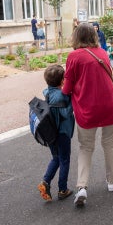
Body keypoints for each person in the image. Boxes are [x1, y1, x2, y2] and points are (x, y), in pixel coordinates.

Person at [62, 23, 113, 207]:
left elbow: (67, 88)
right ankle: (112, 181)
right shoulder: (102, 53)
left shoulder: (74, 56)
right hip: (112, 106)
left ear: (76, 37)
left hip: (88, 110)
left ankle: (82, 187)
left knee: (86, 147)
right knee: (109, 145)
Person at [37, 64, 75, 202]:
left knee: (56, 158)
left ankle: (45, 182)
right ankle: (62, 189)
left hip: (51, 133)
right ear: (62, 80)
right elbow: (65, 113)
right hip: (62, 133)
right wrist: (71, 99)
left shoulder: (47, 92)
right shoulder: (61, 96)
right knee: (65, 159)